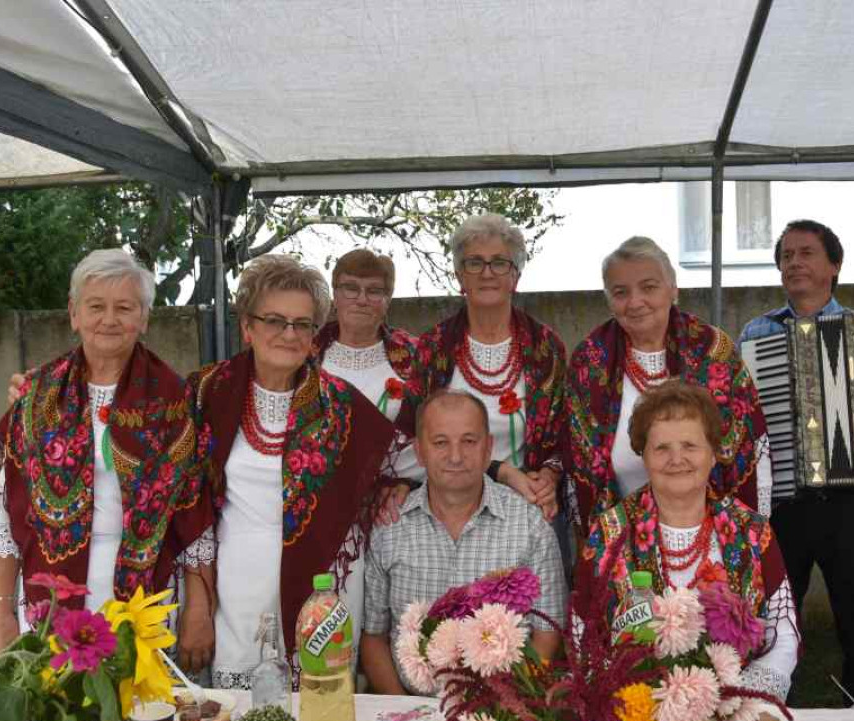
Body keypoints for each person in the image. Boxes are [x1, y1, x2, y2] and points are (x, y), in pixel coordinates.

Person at [177, 254, 396, 687]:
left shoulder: (345, 406)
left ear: (315, 335)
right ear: (248, 326)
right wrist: (198, 604)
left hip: (325, 590)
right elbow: (188, 502)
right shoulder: (206, 392)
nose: (289, 334)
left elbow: (399, 464)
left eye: (302, 324)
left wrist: (399, 486)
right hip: (235, 586)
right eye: (275, 320)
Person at [738, 219, 854, 701]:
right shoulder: (756, 332)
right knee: (778, 612)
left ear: (834, 266)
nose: (794, 263)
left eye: (806, 253)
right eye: (785, 256)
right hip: (782, 501)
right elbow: (740, 415)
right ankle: (775, 705)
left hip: (851, 499)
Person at [0, 249, 202, 652]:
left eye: (124, 307)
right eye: (96, 306)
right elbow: (4, 514)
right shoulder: (36, 397)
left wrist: (199, 610)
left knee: (142, 710)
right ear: (74, 314)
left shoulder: (175, 401)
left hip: (146, 602)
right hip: (47, 602)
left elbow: (193, 519)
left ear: (144, 319)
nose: (109, 319)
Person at [583, 382, 799, 701]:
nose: (677, 459)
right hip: (637, 712)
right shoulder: (608, 532)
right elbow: (584, 632)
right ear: (643, 456)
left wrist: (740, 699)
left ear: (712, 454)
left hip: (734, 706)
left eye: (690, 446)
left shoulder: (751, 530)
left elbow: (784, 633)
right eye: (661, 448)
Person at [362, 389, 568, 694]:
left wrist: (510, 708)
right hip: (411, 716)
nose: (456, 456)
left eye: (469, 442)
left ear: (488, 449)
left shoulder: (529, 525)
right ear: (420, 452)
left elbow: (549, 632)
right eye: (440, 442)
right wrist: (406, 714)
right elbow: (374, 636)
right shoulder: (390, 528)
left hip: (502, 716)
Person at [566, 236, 771, 538]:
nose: (635, 302)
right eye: (620, 292)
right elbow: (577, 464)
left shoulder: (715, 350)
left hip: (717, 532)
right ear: (609, 299)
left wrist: (754, 529)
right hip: (621, 535)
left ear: (673, 289)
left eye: (648, 287)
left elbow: (751, 449)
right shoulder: (589, 361)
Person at [395, 213, 566, 521]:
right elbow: (407, 443)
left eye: (500, 262)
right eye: (475, 263)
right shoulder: (433, 348)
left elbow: (564, 440)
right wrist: (501, 472)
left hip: (525, 506)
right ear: (460, 276)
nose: (487, 273)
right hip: (445, 507)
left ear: (516, 276)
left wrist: (549, 477)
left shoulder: (546, 349)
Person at [314, 249, 418, 423]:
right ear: (335, 295)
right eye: (351, 288)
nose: (362, 300)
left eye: (374, 291)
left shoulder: (417, 354)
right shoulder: (305, 352)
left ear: (387, 300)